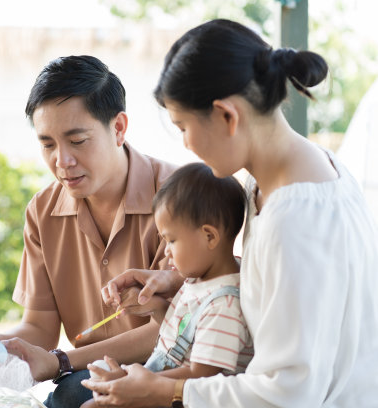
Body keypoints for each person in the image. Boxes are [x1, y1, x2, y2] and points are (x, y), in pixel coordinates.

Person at [82, 19, 378, 407]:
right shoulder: (293, 174)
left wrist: (164, 390)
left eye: (183, 126)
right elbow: (285, 289)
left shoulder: (294, 217)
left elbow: (288, 392)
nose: (186, 145)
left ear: (227, 115)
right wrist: (199, 286)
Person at [0, 55, 180, 408]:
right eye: (47, 144)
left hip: (168, 379)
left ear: (118, 128)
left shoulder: (179, 196)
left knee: (72, 391)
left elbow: (174, 330)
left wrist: (63, 362)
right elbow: (40, 329)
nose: (62, 161)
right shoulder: (43, 212)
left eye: (77, 140)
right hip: (86, 377)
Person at [80, 162, 253, 408]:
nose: (167, 253)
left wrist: (136, 383)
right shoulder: (198, 281)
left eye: (171, 241)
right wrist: (157, 308)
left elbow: (202, 376)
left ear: (209, 236)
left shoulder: (225, 304)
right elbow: (182, 339)